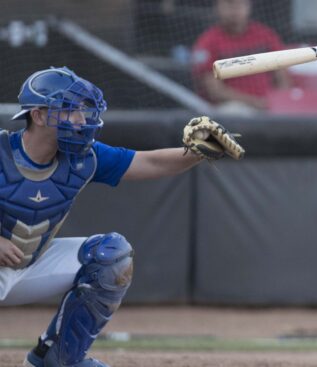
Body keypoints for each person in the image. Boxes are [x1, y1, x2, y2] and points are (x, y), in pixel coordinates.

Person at [0, 67, 230, 367]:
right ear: (39, 115)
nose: (82, 120)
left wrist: (199, 151)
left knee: (111, 257)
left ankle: (57, 360)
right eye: (70, 111)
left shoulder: (84, 157)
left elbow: (148, 162)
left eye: (84, 111)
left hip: (26, 267)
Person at [191, 0, 291, 113]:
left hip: (268, 106)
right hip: (228, 110)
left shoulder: (265, 35)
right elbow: (215, 92)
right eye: (229, 4)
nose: (235, 10)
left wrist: (280, 101)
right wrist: (255, 102)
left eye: (240, 4)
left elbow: (283, 77)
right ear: (217, 7)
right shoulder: (207, 42)